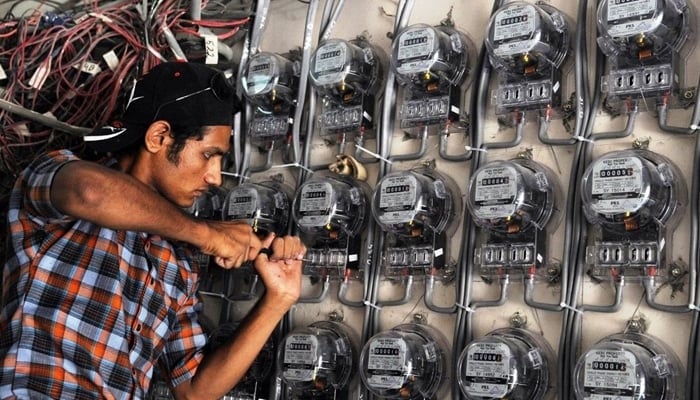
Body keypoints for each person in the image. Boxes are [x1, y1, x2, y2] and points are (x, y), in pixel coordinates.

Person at [0, 61, 305, 400]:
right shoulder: (57, 173)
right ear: (158, 136)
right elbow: (92, 193)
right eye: (208, 155)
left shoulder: (178, 261)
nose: (215, 177)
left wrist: (278, 300)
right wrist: (208, 235)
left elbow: (195, 390)